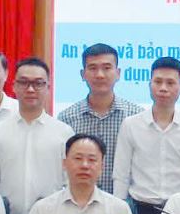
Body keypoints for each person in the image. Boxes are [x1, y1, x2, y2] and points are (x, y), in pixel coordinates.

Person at [0, 57, 73, 214]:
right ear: (14, 86)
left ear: (48, 87)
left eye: (38, 83)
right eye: (24, 82)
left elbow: (69, 184)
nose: (31, 89)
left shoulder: (63, 132)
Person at [112, 56, 180, 214]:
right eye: (158, 81)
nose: (163, 88)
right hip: (141, 211)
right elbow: (121, 175)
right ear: (149, 84)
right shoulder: (131, 124)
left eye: (170, 83)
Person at [23, 134, 135, 214]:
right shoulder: (42, 208)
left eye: (92, 160)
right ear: (64, 163)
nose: (85, 165)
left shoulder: (119, 209)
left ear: (102, 166)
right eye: (78, 158)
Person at [57, 43, 143, 185]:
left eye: (107, 68)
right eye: (93, 68)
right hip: (80, 197)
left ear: (118, 73)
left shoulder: (136, 116)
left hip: (123, 198)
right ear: (83, 74)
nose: (100, 75)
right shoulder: (66, 119)